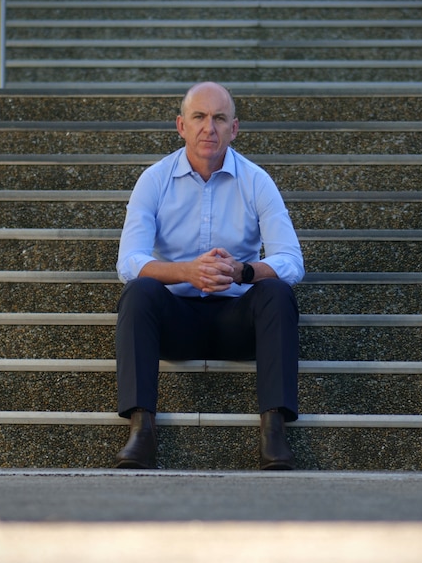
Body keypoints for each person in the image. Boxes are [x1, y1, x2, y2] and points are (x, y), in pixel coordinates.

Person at [114, 81, 305, 470]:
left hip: (238, 323)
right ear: (181, 125)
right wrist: (186, 271)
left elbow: (291, 261)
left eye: (219, 118)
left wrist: (242, 271)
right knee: (139, 292)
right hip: (176, 321)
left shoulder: (256, 181)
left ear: (234, 128)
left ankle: (273, 432)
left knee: (276, 293)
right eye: (199, 117)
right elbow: (128, 261)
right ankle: (141, 430)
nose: (209, 128)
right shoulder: (154, 180)